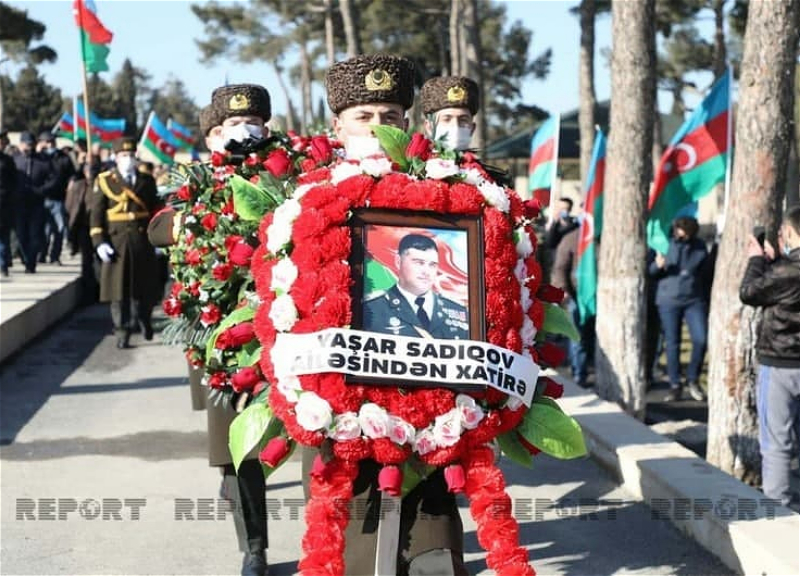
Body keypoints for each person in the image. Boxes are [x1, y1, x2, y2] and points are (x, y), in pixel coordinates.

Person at [323, 53, 468, 576]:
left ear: (407, 125)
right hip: (347, 417)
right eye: (363, 116)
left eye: (389, 116)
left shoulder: (445, 195)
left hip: (432, 410)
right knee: (365, 563)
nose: (377, 127)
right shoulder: (305, 200)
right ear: (337, 127)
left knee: (436, 560)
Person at [148, 86, 272, 576]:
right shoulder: (197, 185)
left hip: (287, 329)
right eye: (231, 126)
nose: (244, 132)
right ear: (213, 136)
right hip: (224, 337)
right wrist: (191, 219)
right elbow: (160, 227)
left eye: (253, 122)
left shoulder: (289, 176)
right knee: (241, 451)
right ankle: (254, 548)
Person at [739, 206, 800, 511]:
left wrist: (755, 259)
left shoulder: (785, 272)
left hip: (780, 363)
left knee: (776, 443)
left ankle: (778, 509)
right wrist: (776, 262)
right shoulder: (785, 269)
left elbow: (749, 293)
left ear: (788, 233)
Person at [90, 137, 161, 349]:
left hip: (142, 241)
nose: (127, 159)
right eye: (123, 155)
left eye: (130, 155)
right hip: (117, 242)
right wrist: (99, 242)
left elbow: (155, 210)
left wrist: (159, 238)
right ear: (115, 157)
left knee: (144, 288)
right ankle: (122, 331)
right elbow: (96, 214)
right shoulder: (105, 181)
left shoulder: (146, 180)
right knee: (118, 292)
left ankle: (144, 319)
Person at [648, 216, 709, 402]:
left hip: (694, 300)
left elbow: (705, 273)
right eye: (677, 231)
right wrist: (657, 266)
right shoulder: (664, 245)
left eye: (684, 233)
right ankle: (675, 384)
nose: (679, 235)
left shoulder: (700, 247)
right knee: (672, 343)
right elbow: (650, 272)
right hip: (669, 300)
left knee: (701, 339)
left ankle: (693, 378)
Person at [364, 233, 469, 340]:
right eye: (419, 263)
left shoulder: (458, 311)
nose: (426, 272)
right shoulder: (371, 308)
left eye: (432, 265)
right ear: (398, 262)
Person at [550, 221, 594, 387]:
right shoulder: (571, 239)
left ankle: (588, 367)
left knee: (591, 336)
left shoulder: (600, 237)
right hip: (575, 296)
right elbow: (560, 268)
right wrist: (563, 291)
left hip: (596, 295)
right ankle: (579, 374)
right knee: (577, 337)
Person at [12, 131, 57, 273]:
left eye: (31, 145)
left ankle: (31, 262)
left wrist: (42, 190)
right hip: (19, 203)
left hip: (36, 203)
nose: (28, 147)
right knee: (21, 235)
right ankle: (25, 257)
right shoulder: (14, 160)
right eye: (26, 144)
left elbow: (53, 179)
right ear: (20, 145)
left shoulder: (43, 161)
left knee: (35, 234)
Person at [65, 156, 101, 304]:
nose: (90, 173)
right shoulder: (78, 186)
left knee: (100, 259)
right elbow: (70, 205)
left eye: (93, 170)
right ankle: (88, 292)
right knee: (87, 260)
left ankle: (100, 290)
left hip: (99, 227)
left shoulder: (102, 185)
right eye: (88, 170)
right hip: (83, 227)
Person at [37, 131, 76, 265]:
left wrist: (70, 184)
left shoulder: (63, 157)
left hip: (58, 198)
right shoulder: (39, 158)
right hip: (42, 198)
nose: (50, 145)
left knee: (59, 229)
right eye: (47, 142)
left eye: (52, 142)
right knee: (44, 230)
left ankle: (55, 256)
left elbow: (72, 175)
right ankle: (42, 254)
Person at [420, 76, 478, 151]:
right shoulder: (414, 158)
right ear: (429, 127)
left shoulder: (478, 160)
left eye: (463, 120)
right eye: (446, 119)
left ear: (472, 128)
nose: (455, 126)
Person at [0, 130, 16, 277]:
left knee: (4, 236)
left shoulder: (7, 161)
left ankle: (3, 264)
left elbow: (14, 181)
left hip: (4, 204)